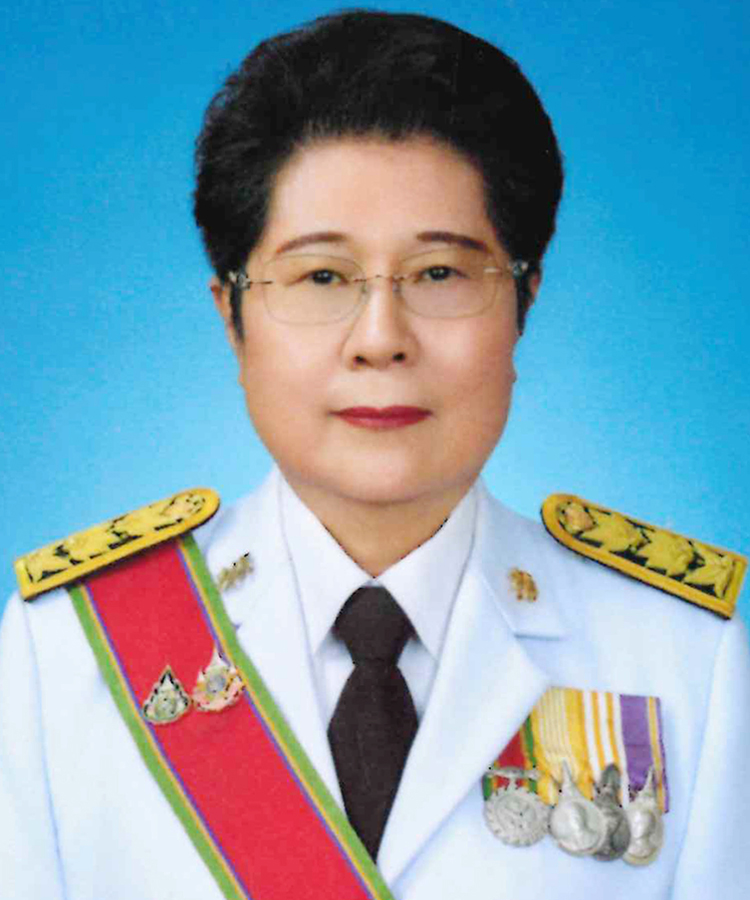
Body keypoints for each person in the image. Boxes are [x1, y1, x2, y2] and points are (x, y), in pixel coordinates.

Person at [1, 9, 748, 900]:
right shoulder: (64, 655)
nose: (381, 339)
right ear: (231, 317)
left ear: (524, 303)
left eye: (440, 274)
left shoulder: (684, 658)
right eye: (322, 276)